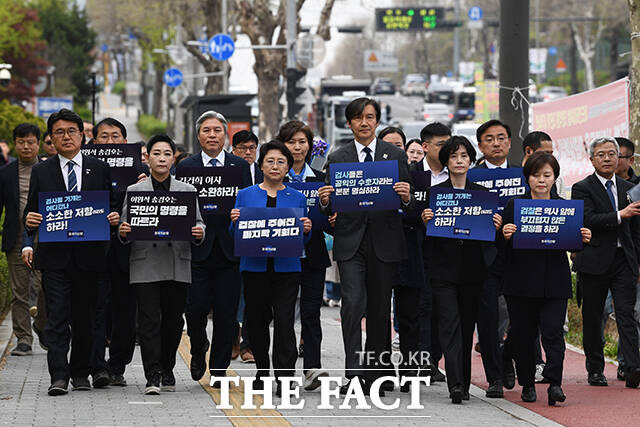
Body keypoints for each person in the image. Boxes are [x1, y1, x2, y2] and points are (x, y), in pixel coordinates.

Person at [318, 97, 415, 396]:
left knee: (378, 309)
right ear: (349, 123)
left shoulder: (395, 156)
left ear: (377, 121)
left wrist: (407, 196)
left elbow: (408, 204)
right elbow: (329, 205)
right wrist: (324, 202)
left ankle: (375, 375)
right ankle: (354, 375)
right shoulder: (337, 157)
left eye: (370, 117)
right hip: (350, 243)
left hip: (384, 243)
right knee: (352, 305)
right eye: (358, 118)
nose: (364, 122)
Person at [23, 108, 120, 396]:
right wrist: (30, 222)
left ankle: (80, 373)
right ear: (51, 138)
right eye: (59, 132)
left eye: (71, 131)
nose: (66, 137)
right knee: (56, 318)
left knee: (86, 318)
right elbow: (31, 211)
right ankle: (58, 375)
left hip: (91, 257)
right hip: (55, 258)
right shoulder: (42, 170)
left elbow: (112, 204)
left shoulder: (98, 168)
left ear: (82, 135)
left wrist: (113, 217)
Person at [501, 152, 591, 404]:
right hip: (520, 280)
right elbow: (500, 246)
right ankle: (528, 383)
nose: (541, 180)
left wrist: (583, 239)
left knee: (553, 333)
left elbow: (574, 245)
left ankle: (555, 384)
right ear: (527, 177)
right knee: (523, 334)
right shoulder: (514, 205)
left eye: (547, 175)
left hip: (554, 280)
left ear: (554, 178)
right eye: (536, 175)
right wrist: (505, 234)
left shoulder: (565, 207)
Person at [119, 134, 205, 395]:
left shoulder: (187, 191)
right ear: (147, 158)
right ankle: (152, 374)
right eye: (156, 153)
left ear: (173, 158)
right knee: (148, 322)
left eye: (166, 153)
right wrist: (123, 232)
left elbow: (199, 222)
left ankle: (167, 367)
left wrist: (200, 232)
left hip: (177, 262)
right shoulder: (134, 192)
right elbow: (124, 228)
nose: (161, 158)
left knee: (173, 321)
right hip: (145, 263)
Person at [421, 136, 502, 403]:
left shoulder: (482, 195)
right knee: (449, 325)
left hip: (474, 270)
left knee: (467, 327)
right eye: (453, 157)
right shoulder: (437, 194)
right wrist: (426, 220)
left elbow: (490, 237)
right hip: (442, 270)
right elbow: (428, 235)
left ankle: (464, 383)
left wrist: (495, 224)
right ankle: (455, 384)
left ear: (470, 160)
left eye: (464, 156)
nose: (459, 161)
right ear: (446, 162)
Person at [230, 140, 312, 397]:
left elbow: (301, 239)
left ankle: (285, 377)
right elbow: (236, 234)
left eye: (281, 162)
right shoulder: (246, 194)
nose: (275, 166)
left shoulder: (297, 196)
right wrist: (234, 222)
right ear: (261, 164)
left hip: (287, 269)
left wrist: (306, 229)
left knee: (286, 322)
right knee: (256, 321)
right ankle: (263, 372)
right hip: (254, 268)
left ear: (288, 166)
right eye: (270, 161)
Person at [178, 111, 252, 386]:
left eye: (217, 130)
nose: (212, 135)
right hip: (196, 249)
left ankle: (219, 369)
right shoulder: (186, 167)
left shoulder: (238, 166)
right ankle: (198, 348)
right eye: (206, 130)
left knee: (226, 313)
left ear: (225, 134)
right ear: (198, 136)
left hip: (230, 250)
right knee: (195, 309)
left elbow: (247, 202)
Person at [572, 136, 640, 388]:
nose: (608, 158)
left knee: (627, 314)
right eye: (601, 154)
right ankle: (595, 369)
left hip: (624, 261)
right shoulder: (582, 188)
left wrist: (637, 262)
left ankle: (632, 367)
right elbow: (588, 219)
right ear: (592, 160)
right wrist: (619, 215)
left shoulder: (627, 188)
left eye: (612, 154)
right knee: (593, 316)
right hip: (594, 261)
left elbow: (635, 230)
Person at [278, 120, 331, 390]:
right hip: (281, 255)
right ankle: (285, 370)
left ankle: (312, 367)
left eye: (302, 142)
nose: (297, 147)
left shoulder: (321, 179)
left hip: (313, 254)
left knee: (311, 313)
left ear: (310, 146)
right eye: (291, 142)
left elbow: (333, 219)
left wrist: (325, 206)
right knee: (284, 314)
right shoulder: (273, 178)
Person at [473, 119, 518, 395]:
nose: (496, 143)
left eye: (501, 138)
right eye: (489, 139)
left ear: (510, 143)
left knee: (522, 319)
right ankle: (494, 378)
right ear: (481, 145)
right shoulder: (471, 177)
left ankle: (507, 356)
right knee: (488, 320)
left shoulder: (524, 174)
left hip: (520, 257)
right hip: (483, 259)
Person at [0, 123, 45, 356]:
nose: (26, 146)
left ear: (38, 143)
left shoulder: (49, 169)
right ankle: (24, 339)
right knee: (19, 291)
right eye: (21, 141)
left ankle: (43, 327)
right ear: (15, 143)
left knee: (45, 288)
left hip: (47, 238)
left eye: (30, 142)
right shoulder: (5, 173)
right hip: (16, 239)